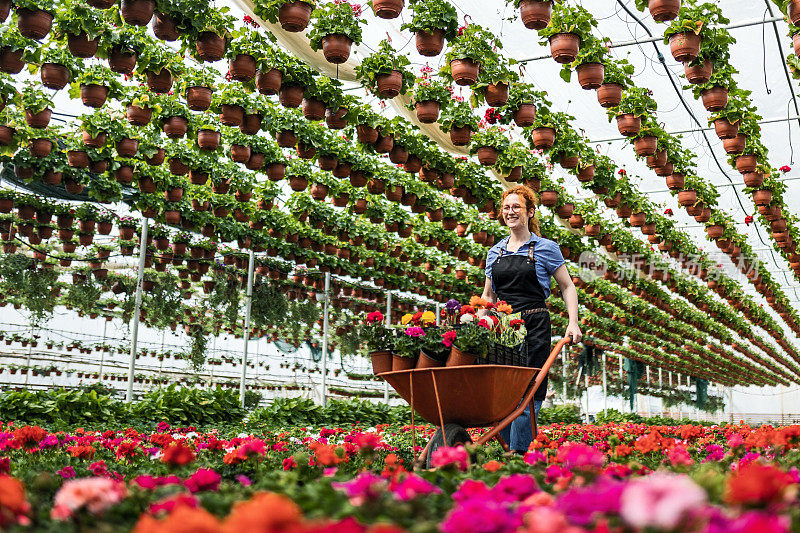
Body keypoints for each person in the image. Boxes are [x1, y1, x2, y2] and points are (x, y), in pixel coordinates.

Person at [481, 184, 581, 454]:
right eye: (506, 208)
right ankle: (501, 454)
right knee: (500, 390)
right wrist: (479, 323)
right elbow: (488, 296)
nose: (510, 212)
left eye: (516, 207)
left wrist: (573, 322)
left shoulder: (545, 247)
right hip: (502, 328)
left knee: (528, 387)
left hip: (534, 324)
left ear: (529, 212)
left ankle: (519, 453)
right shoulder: (495, 252)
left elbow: (567, 286)